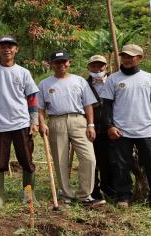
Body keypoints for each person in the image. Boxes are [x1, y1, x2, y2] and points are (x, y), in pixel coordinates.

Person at [0, 35, 39, 210]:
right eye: (3, 46)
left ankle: (28, 196)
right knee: (0, 162)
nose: (7, 49)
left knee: (26, 161)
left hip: (22, 123)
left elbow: (32, 99)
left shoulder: (23, 72)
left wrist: (35, 122)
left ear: (16, 49)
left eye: (10, 46)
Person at [100, 44, 151, 212]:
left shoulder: (149, 78)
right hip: (121, 130)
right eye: (124, 56)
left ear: (140, 58)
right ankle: (124, 196)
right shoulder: (113, 79)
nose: (127, 59)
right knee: (121, 165)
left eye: (131, 56)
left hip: (146, 129)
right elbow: (106, 105)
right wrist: (109, 126)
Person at [38, 50, 104, 207]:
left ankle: (84, 195)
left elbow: (88, 104)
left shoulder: (79, 81)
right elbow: (40, 108)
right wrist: (42, 122)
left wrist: (91, 124)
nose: (61, 65)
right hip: (56, 121)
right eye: (57, 62)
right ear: (52, 64)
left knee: (89, 158)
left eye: (64, 62)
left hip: (78, 120)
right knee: (61, 160)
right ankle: (66, 194)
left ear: (69, 63)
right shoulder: (44, 84)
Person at [86, 55, 116, 202]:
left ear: (106, 67)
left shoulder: (113, 81)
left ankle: (110, 191)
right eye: (93, 66)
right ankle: (93, 191)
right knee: (91, 161)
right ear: (89, 68)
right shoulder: (84, 84)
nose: (97, 69)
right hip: (90, 129)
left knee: (109, 162)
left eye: (100, 66)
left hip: (110, 128)